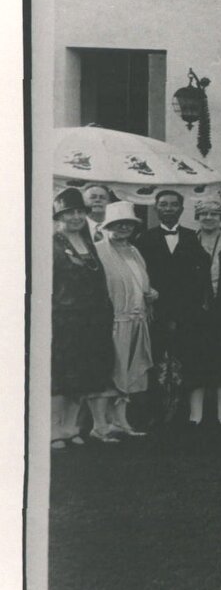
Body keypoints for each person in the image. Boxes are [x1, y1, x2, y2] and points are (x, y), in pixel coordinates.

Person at [52, 188, 116, 447]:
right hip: (65, 320)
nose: (76, 217)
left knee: (83, 375)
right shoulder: (53, 244)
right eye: (70, 213)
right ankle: (54, 431)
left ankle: (71, 428)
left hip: (92, 321)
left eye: (80, 211)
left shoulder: (88, 243)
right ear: (60, 216)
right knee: (61, 375)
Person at [135, 189, 202, 429]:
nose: (169, 208)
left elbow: (200, 277)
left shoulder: (194, 237)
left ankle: (183, 413)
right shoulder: (144, 239)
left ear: (182, 209)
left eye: (174, 205)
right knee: (156, 361)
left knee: (185, 360)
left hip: (187, 312)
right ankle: (155, 412)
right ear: (156, 208)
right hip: (156, 312)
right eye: (163, 204)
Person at [180, 197, 221, 427]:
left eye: (214, 214)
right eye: (203, 214)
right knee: (196, 361)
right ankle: (195, 415)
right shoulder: (187, 243)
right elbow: (180, 282)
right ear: (197, 217)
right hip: (196, 314)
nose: (208, 218)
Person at [97, 202, 156, 437]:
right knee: (111, 370)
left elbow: (140, 283)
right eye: (117, 224)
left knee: (129, 370)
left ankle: (121, 420)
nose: (123, 228)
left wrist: (151, 293)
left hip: (137, 319)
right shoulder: (99, 250)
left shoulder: (134, 251)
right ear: (107, 226)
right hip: (113, 320)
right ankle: (100, 424)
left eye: (128, 224)